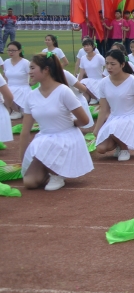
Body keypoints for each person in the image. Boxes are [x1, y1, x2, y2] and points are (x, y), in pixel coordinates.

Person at [18, 53, 93, 191]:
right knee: (29, 182)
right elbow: (25, 131)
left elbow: (84, 120)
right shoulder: (31, 96)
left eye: (33, 68)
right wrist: (23, 160)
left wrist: (72, 123)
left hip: (66, 137)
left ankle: (58, 174)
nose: (30, 72)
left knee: (40, 178)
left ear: (46, 70)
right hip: (44, 139)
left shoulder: (64, 91)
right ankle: (50, 171)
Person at [91, 50, 134, 162]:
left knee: (114, 127)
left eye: (113, 64)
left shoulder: (133, 81)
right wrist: (97, 129)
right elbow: (103, 109)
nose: (109, 67)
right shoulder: (103, 83)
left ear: (122, 64)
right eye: (107, 63)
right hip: (114, 118)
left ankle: (124, 148)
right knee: (101, 148)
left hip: (131, 117)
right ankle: (119, 143)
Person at [2, 41, 31, 120]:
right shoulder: (6, 62)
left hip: (23, 88)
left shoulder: (25, 63)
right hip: (10, 86)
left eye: (13, 50)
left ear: (19, 51)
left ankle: (18, 110)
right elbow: (5, 76)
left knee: (26, 113)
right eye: (9, 50)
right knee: (5, 91)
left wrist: (31, 83)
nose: (11, 52)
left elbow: (34, 74)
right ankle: (15, 110)